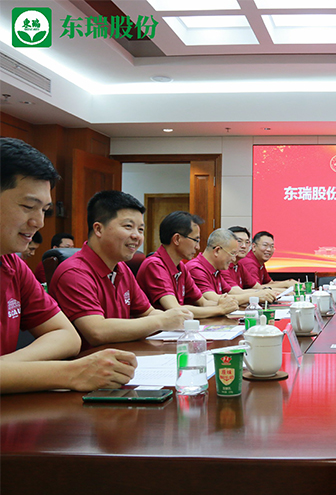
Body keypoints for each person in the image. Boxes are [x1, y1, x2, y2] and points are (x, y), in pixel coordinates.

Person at [0, 137, 136, 393]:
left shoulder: (12, 265)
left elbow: (67, 336)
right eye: (28, 206)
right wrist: (71, 373)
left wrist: (7, 368)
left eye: (44, 210)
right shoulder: (74, 269)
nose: (39, 222)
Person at [49, 191, 192, 348]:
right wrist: (162, 321)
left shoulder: (122, 268)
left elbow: (148, 312)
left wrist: (176, 318)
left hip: (123, 355)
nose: (137, 236)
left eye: (141, 229)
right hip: (89, 360)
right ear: (98, 229)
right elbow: (97, 331)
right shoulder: (74, 273)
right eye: (128, 226)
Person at [136, 211, 239, 318]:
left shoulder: (180, 267)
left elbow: (202, 302)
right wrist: (219, 309)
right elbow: (174, 309)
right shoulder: (154, 265)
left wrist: (225, 304)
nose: (198, 247)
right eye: (196, 240)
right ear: (177, 239)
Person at [222, 226, 276, 304]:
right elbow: (235, 292)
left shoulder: (239, 265)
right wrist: (261, 294)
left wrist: (272, 291)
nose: (244, 246)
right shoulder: (223, 266)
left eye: (247, 242)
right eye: (239, 241)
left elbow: (258, 287)